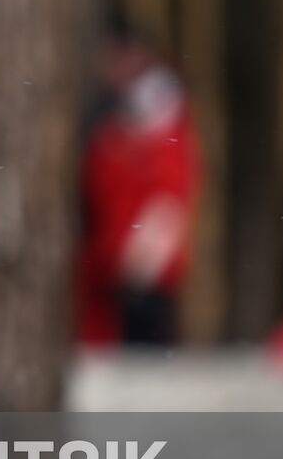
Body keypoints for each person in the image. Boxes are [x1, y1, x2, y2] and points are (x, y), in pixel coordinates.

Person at [75, 26, 200, 345]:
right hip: (107, 271)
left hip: (140, 277)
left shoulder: (159, 118)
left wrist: (141, 262)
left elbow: (168, 198)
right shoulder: (109, 120)